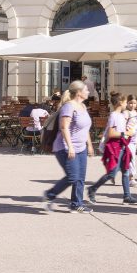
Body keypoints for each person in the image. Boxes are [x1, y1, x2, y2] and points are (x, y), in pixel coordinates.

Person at [42, 80, 95, 213]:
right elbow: (64, 127)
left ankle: (76, 204)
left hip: (81, 147)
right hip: (64, 147)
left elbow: (85, 128)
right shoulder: (68, 107)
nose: (88, 91)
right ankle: (49, 195)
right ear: (79, 92)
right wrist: (70, 147)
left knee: (80, 178)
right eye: (86, 90)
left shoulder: (82, 106)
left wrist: (89, 145)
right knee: (72, 177)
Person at [87, 91, 137, 205]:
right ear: (120, 103)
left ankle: (127, 196)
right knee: (112, 173)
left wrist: (128, 133)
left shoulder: (121, 115)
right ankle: (93, 189)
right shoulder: (114, 116)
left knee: (125, 171)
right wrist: (124, 133)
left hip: (121, 145)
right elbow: (111, 133)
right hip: (114, 147)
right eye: (126, 102)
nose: (126, 104)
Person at [126, 94, 137, 188]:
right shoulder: (126, 113)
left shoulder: (135, 113)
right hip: (128, 140)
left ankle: (112, 173)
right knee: (131, 159)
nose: (132, 105)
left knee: (130, 159)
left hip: (134, 140)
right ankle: (131, 179)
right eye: (130, 103)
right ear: (127, 103)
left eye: (134, 103)